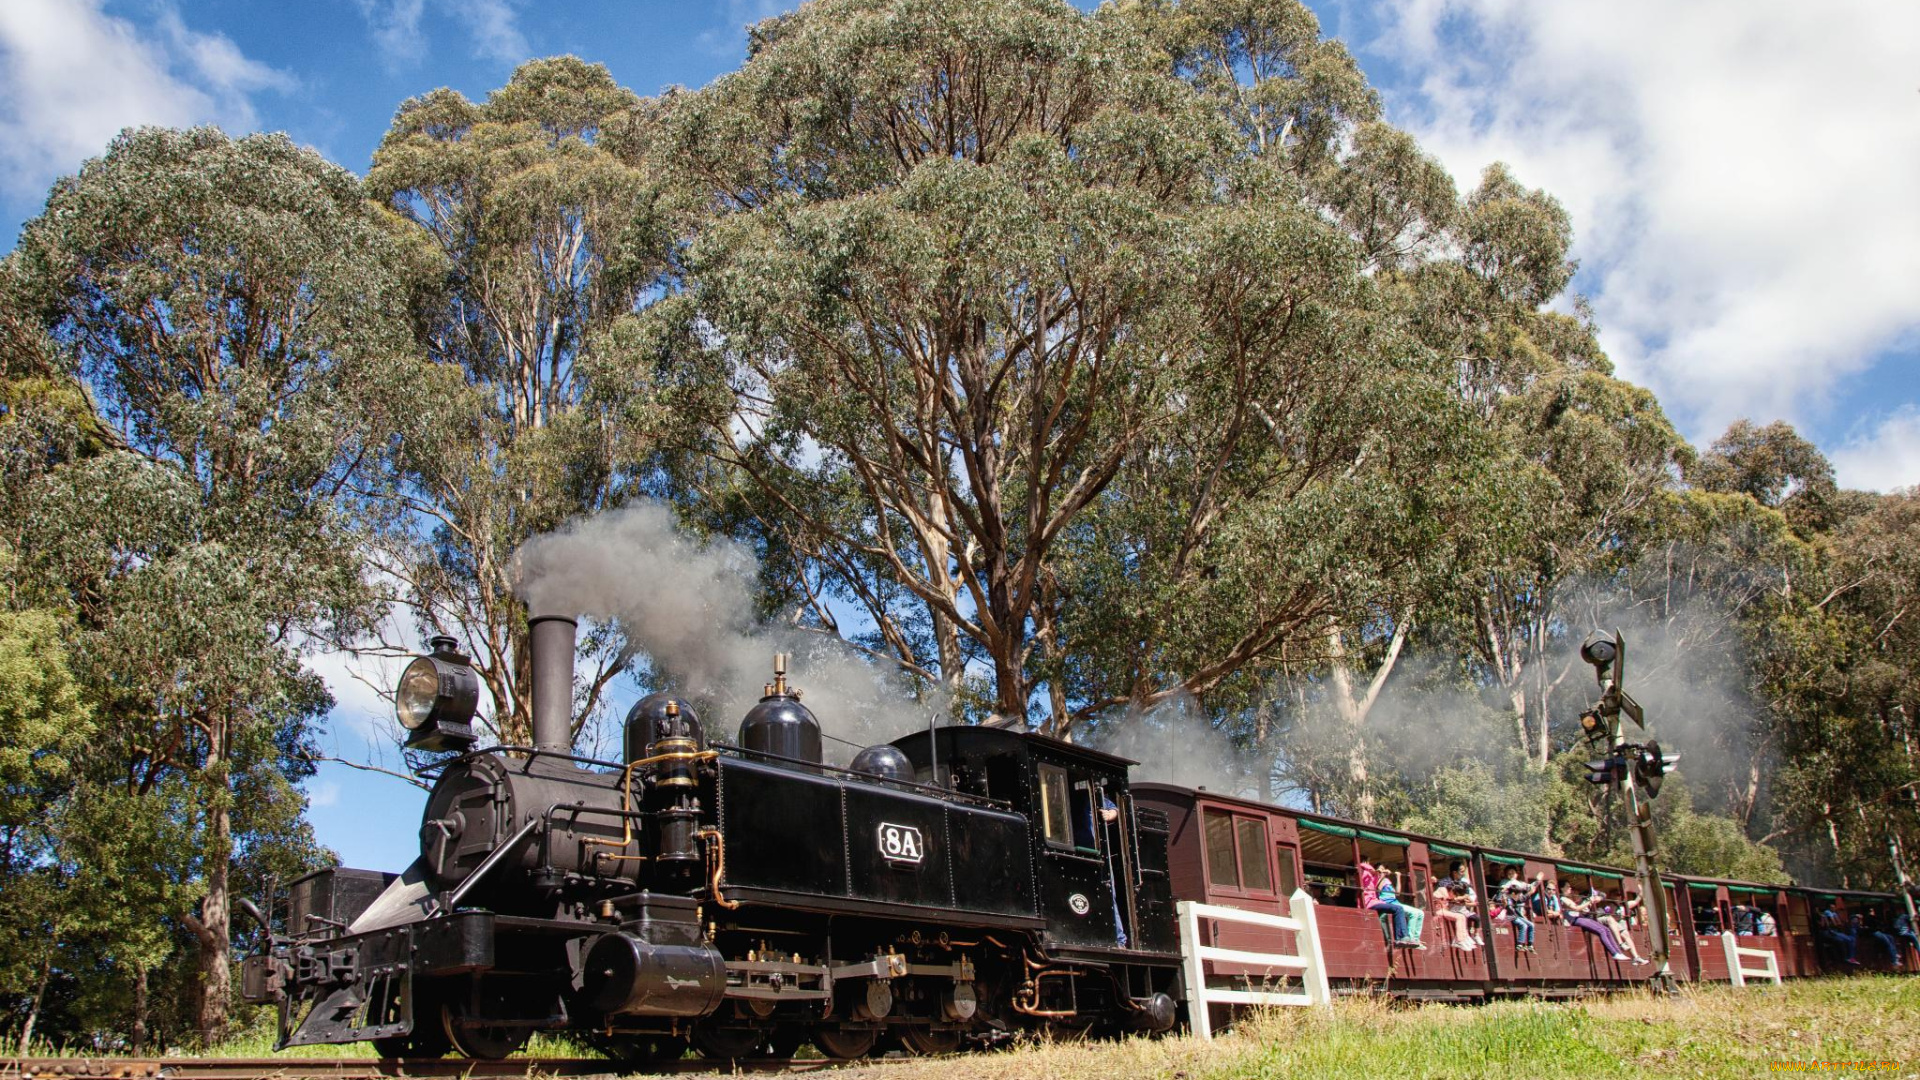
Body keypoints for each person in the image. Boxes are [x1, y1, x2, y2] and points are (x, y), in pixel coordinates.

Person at [1360, 859, 1423, 948]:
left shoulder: (1372, 877)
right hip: (1370, 902)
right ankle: (1402, 937)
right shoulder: (1363, 872)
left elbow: (1395, 892)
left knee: (1415, 912)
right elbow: (1368, 875)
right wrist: (1378, 872)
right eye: (1368, 862)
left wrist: (1393, 876)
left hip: (1376, 901)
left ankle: (1407, 938)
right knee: (1398, 909)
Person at [1562, 883, 1630, 962]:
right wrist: (1589, 901)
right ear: (1561, 889)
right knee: (1601, 930)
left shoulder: (1572, 898)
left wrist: (1597, 897)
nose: (1570, 888)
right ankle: (1614, 953)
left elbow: (1603, 895)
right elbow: (1576, 908)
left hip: (1580, 918)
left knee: (1606, 929)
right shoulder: (1563, 898)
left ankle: (1618, 952)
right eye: (1567, 886)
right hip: (1574, 919)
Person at [1593, 891, 1647, 964]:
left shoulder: (1623, 905)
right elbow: (1608, 914)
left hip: (1617, 924)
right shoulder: (1609, 905)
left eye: (1620, 895)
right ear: (1611, 896)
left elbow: (1636, 901)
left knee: (1626, 934)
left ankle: (1636, 957)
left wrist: (1641, 892)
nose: (1619, 897)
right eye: (1616, 895)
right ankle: (1621, 945)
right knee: (1622, 932)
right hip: (1610, 923)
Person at [1431, 872, 1477, 951]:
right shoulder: (1442, 890)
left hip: (1443, 910)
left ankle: (1464, 937)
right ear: (1452, 891)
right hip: (1437, 910)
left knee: (1462, 916)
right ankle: (1458, 940)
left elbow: (1453, 899)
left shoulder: (1449, 892)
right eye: (1456, 894)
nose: (1456, 896)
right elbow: (1434, 896)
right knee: (1459, 916)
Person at [1500, 868, 1536, 953]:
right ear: (1513, 894)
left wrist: (1536, 883)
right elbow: (1504, 902)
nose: (1519, 896)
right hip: (1511, 916)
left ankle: (1530, 944)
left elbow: (1524, 897)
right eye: (1518, 894)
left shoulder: (1515, 898)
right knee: (1523, 925)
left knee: (1531, 924)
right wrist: (1503, 893)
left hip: (1516, 916)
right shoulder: (1508, 899)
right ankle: (1520, 944)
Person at [1818, 899, 1861, 966]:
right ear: (1829, 907)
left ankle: (1850, 958)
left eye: (1834, 907)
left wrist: (1838, 922)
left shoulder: (1834, 913)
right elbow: (1835, 923)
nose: (1833, 908)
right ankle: (1847, 958)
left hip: (1834, 931)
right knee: (1847, 940)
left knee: (1852, 939)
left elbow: (1839, 922)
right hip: (1829, 932)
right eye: (1832, 907)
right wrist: (1836, 923)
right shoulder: (1827, 912)